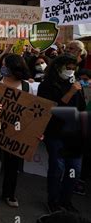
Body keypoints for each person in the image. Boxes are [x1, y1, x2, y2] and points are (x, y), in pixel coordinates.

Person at [0, 54, 32, 208]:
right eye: (2, 64)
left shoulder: (27, 86)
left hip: (15, 131)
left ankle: (9, 194)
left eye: (5, 65)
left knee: (12, 164)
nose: (2, 67)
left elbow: (32, 111)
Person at [37, 54, 86, 213]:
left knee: (74, 169)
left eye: (73, 68)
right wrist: (71, 92)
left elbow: (82, 108)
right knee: (57, 168)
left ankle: (66, 200)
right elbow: (51, 109)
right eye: (68, 68)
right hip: (56, 133)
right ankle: (53, 201)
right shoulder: (47, 85)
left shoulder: (77, 85)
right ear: (58, 67)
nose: (71, 71)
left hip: (75, 134)